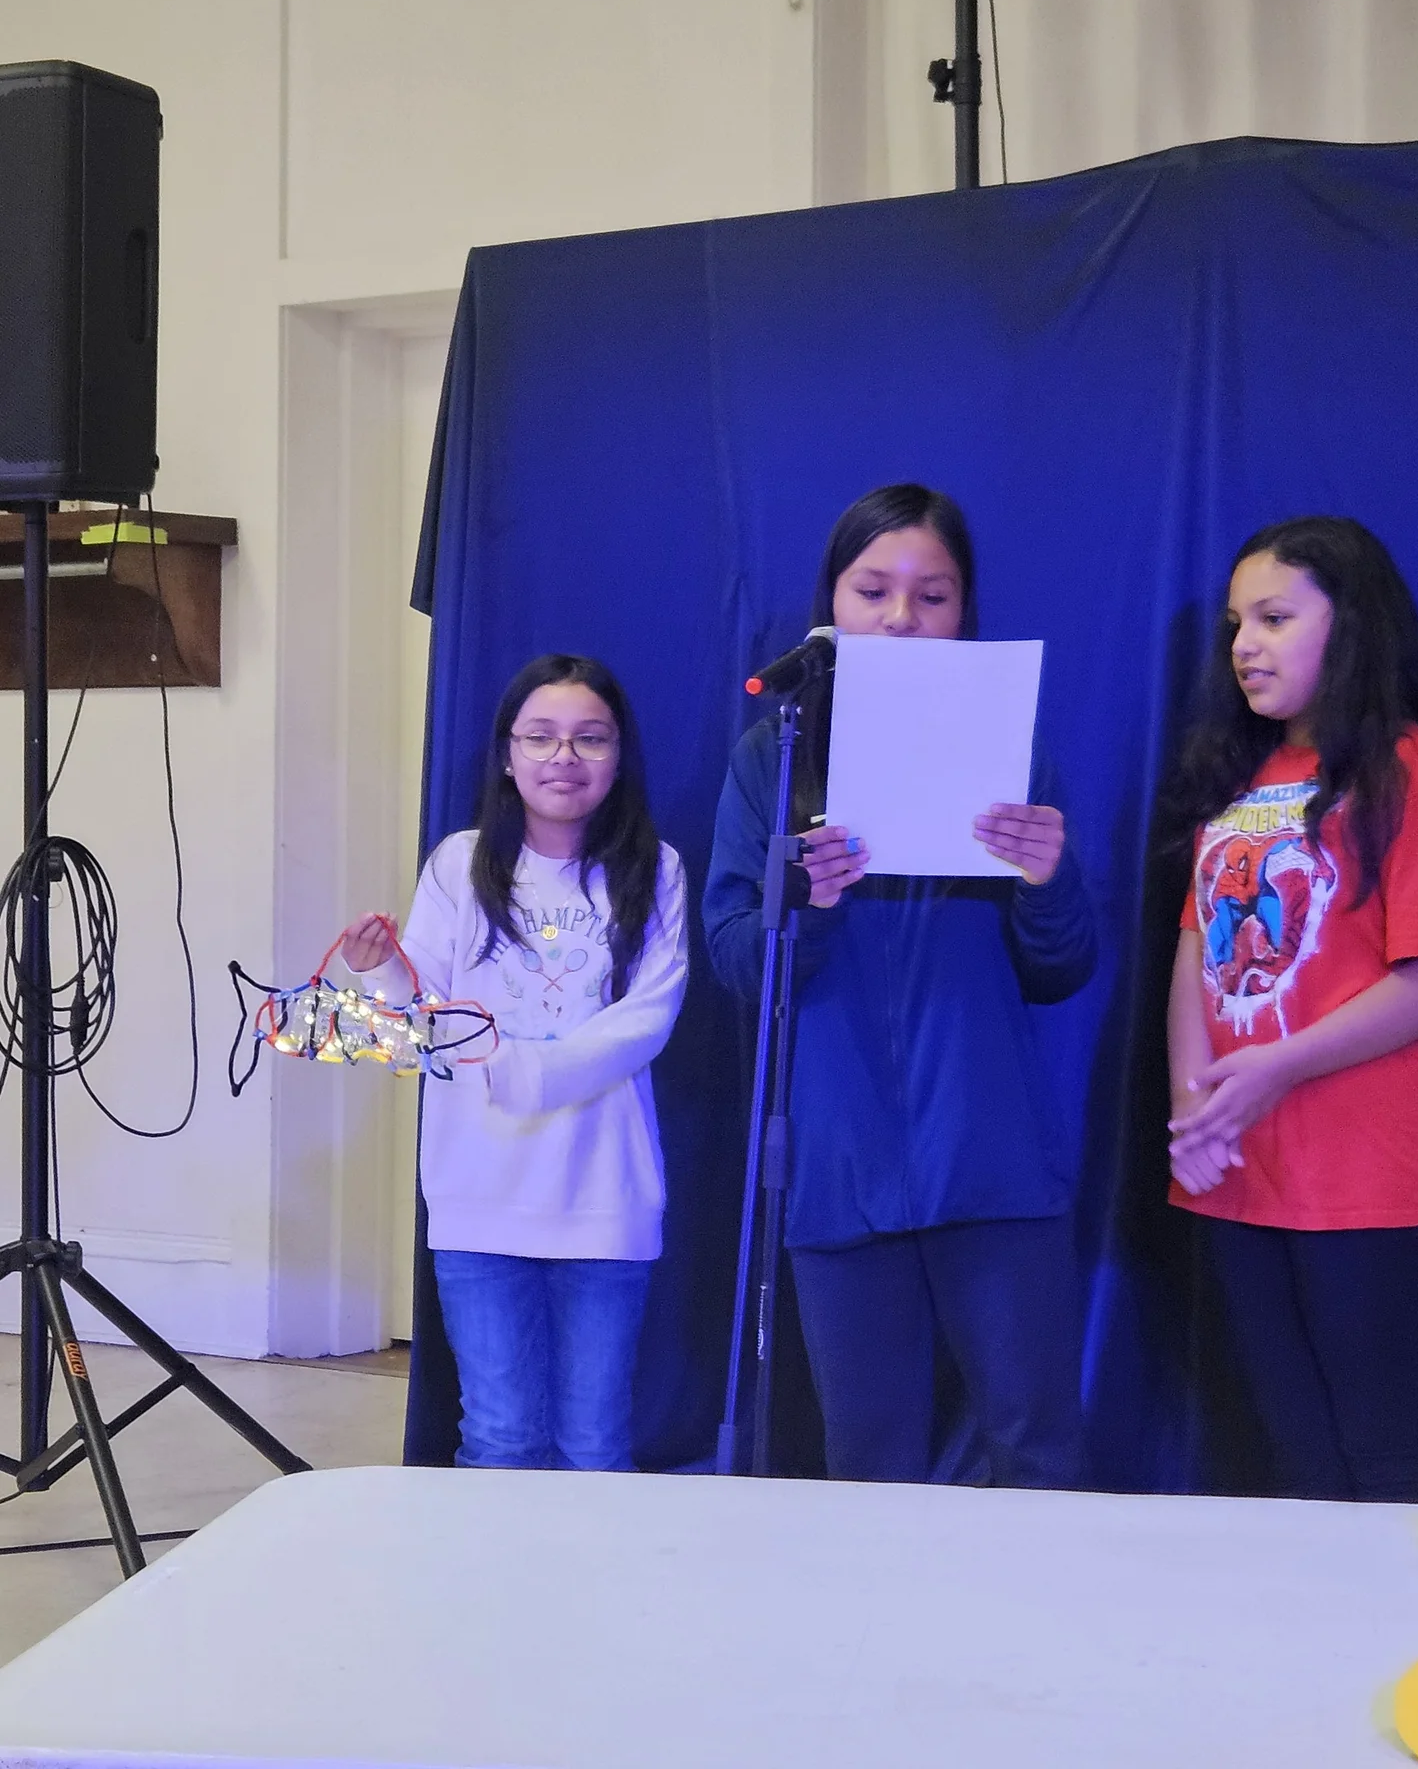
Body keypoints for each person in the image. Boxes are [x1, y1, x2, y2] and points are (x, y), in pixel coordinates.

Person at [703, 483, 1097, 1486]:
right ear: (831, 601)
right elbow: (738, 961)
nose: (900, 617)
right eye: (873, 589)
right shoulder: (772, 758)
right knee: (869, 1467)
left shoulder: (1009, 752)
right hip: (839, 1168)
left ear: (965, 610)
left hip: (993, 1157)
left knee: (1038, 1450)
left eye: (933, 595)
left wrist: (1048, 880)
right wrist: (810, 904)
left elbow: (1062, 968)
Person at [1166, 517, 1418, 1501]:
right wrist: (1191, 1106)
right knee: (1286, 1452)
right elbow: (1197, 948)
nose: (1245, 645)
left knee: (1381, 1452)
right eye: (1236, 624)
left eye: (1274, 618)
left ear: (1349, 626)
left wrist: (1275, 1067)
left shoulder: (1410, 769)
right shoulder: (1242, 776)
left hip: (1367, 1169)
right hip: (1238, 1167)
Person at [343, 654, 688, 1471]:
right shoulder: (458, 866)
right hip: (479, 1192)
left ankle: (591, 1566)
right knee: (500, 1437)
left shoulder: (655, 868)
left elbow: (648, 1017)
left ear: (619, 755)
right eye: (540, 737)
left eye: (589, 738)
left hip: (604, 1194)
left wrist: (522, 1071)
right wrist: (379, 973)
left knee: (594, 1448)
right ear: (507, 753)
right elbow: (419, 1023)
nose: (563, 757)